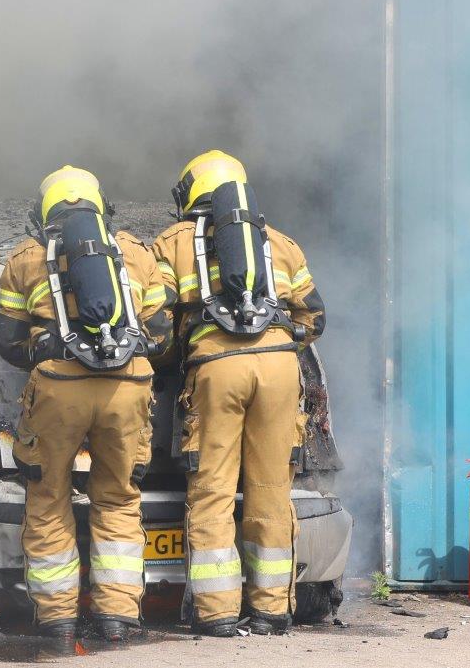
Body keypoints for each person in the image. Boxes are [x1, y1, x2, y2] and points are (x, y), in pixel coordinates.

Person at [150, 150, 326, 637]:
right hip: (279, 370)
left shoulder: (174, 242)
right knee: (271, 491)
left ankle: (218, 613)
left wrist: (173, 358)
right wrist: (276, 346)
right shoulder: (281, 244)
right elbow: (315, 318)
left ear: (190, 192)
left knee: (213, 492)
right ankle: (271, 610)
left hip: (216, 370)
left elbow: (157, 324)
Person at [0, 166, 173, 646]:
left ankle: (58, 620)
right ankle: (117, 618)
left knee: (49, 497)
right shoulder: (137, 254)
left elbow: (9, 346)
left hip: (58, 388)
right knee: (118, 497)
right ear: (101, 206)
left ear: (45, 210)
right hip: (129, 387)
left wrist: (49, 343)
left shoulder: (24, 259)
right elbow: (161, 336)